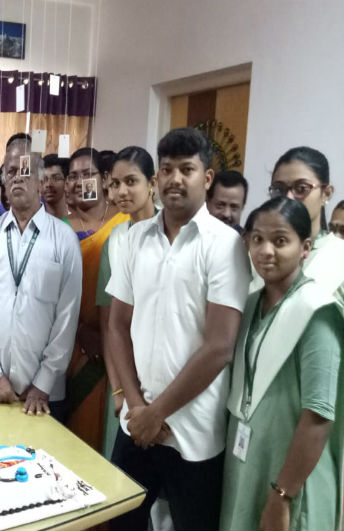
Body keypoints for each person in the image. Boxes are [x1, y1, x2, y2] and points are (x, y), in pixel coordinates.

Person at [106, 128, 251, 530]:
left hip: (194, 430)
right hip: (135, 422)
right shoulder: (136, 239)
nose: (175, 179)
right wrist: (136, 405)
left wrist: (157, 412)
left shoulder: (225, 245)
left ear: (207, 177)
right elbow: (117, 326)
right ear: (157, 178)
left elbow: (220, 346)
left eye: (187, 169)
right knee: (120, 522)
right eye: (167, 169)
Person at [220, 197, 344, 531]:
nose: (265, 251)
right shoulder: (249, 304)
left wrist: (283, 496)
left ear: (305, 247)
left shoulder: (317, 312)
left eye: (280, 240)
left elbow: (318, 416)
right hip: (248, 466)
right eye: (257, 239)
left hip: (291, 478)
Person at [0, 137, 81, 418]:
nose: (17, 177)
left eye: (25, 170)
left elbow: (67, 317)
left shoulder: (64, 239)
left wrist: (43, 383)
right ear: (4, 183)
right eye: (11, 172)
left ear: (41, 182)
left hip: (43, 392)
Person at [63, 147, 129, 451]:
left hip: (117, 342)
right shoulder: (59, 228)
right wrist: (80, 331)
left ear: (103, 179)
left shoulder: (125, 224)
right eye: (73, 176)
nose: (79, 182)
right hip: (73, 344)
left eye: (87, 174)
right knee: (74, 433)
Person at [95, 146, 157, 457]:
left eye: (131, 182)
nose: (121, 191)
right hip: (124, 371)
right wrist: (119, 389)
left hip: (161, 371)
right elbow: (109, 325)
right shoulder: (116, 240)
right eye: (115, 184)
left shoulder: (172, 234)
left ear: (152, 183)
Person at [265, 146, 344, 313]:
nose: (288, 198)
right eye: (279, 190)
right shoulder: (258, 254)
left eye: (301, 189)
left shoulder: (339, 256)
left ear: (326, 193)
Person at [42, 154, 69, 220]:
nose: (48, 184)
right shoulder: (34, 220)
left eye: (56, 178)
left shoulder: (78, 221)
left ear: (66, 181)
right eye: (44, 179)